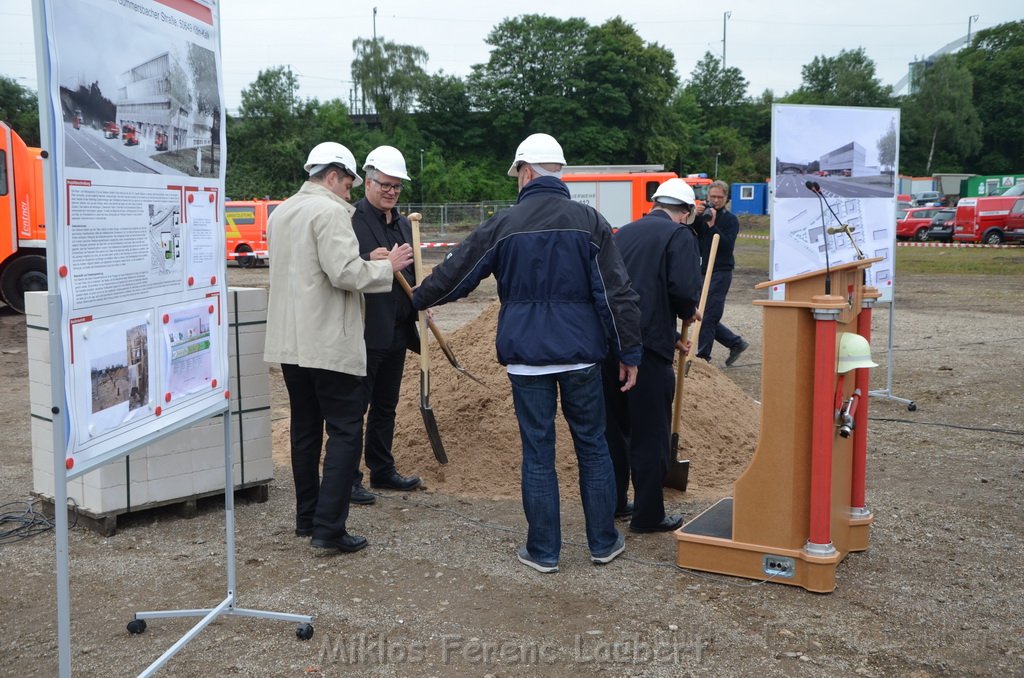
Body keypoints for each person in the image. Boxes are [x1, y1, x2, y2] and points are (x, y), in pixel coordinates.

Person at [412, 133, 642, 573]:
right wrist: (628, 352)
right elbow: (617, 295)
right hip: (580, 357)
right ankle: (603, 543)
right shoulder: (590, 221)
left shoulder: (505, 223)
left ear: (527, 171)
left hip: (526, 359)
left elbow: (458, 273)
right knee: (593, 447)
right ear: (559, 172)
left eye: (517, 172)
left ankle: (543, 551)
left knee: (538, 452)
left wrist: (418, 299)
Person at [264, 141, 413, 555]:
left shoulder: (283, 212)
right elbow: (344, 272)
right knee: (346, 429)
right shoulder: (329, 211)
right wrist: (387, 267)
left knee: (305, 430)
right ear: (332, 176)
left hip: (290, 343)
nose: (350, 191)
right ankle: (329, 528)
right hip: (327, 341)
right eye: (348, 182)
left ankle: (307, 517)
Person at [602, 178, 702, 533]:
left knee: (614, 430)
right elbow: (682, 289)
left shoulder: (621, 234)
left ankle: (614, 503)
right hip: (645, 353)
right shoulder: (679, 236)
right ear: (686, 212)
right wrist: (688, 311)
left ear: (657, 204)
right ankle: (647, 515)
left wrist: (671, 334)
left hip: (609, 346)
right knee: (650, 433)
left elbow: (623, 291)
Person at [349, 146, 423, 504]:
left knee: (386, 405)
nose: (392, 192)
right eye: (386, 185)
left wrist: (424, 299)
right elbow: (343, 267)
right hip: (364, 329)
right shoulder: (352, 219)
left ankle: (381, 468)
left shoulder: (406, 224)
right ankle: (348, 478)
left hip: (397, 328)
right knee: (355, 406)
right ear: (368, 181)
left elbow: (411, 272)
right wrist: (369, 260)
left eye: (397, 186)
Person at [694, 180, 748, 366]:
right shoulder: (702, 216)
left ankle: (703, 358)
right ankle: (735, 342)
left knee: (709, 314)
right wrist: (695, 217)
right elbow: (689, 234)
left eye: (719, 197)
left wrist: (712, 225)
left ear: (726, 199)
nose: (715, 200)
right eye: (712, 196)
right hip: (701, 270)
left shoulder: (730, 220)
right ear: (707, 197)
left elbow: (726, 245)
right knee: (700, 313)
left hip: (721, 271)